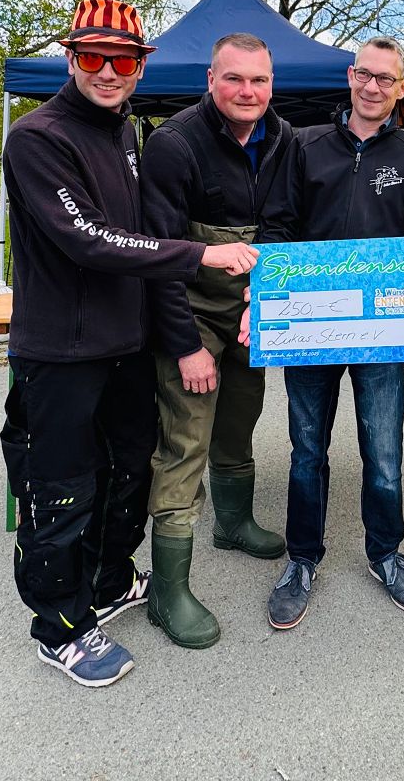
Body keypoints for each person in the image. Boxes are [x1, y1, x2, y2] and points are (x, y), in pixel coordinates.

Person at [0, 0, 257, 689]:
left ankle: (111, 580)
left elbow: (137, 231)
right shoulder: (37, 137)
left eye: (124, 60)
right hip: (61, 352)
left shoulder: (126, 133)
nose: (109, 72)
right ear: (71, 59)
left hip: (126, 345)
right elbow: (88, 239)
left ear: (141, 66)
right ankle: (59, 628)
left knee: (129, 474)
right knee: (62, 491)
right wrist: (198, 255)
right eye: (93, 57)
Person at [267, 36, 404, 631]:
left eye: (385, 78)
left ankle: (386, 553)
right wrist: (264, 294)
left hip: (384, 327)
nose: (372, 87)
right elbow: (277, 227)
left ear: (403, 87)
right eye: (364, 75)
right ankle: (302, 558)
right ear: (350, 77)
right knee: (307, 450)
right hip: (313, 325)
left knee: (383, 452)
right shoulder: (303, 146)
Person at [140, 32, 300, 649]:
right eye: (234, 78)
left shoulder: (282, 137)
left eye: (259, 80)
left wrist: (266, 301)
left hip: (253, 307)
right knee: (186, 437)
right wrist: (186, 344)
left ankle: (232, 522)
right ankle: (168, 590)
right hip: (190, 307)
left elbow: (282, 223)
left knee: (241, 415)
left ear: (271, 83)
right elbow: (158, 254)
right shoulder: (172, 143)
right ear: (211, 80)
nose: (247, 91)